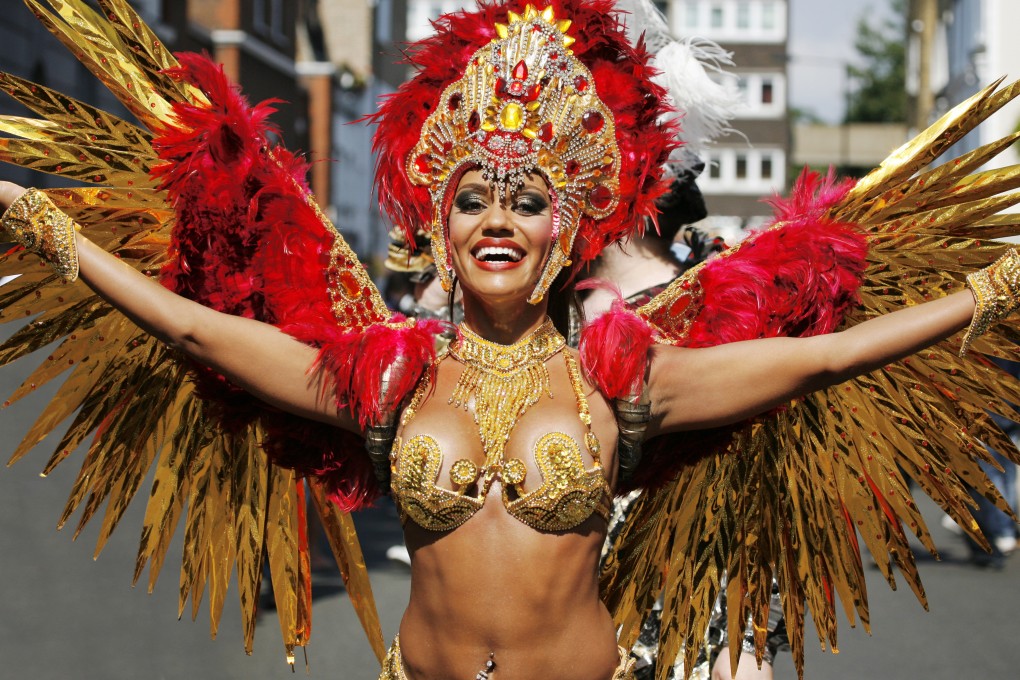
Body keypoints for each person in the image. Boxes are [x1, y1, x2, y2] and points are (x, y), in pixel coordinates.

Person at [1, 2, 1019, 679]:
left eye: (527, 199)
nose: (498, 219)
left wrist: (989, 288)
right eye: (473, 199)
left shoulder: (623, 378)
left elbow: (827, 354)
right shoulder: (388, 375)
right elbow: (193, 325)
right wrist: (45, 228)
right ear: (439, 229)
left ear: (564, 227)